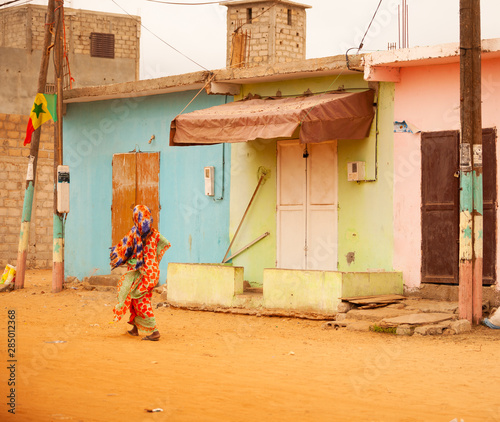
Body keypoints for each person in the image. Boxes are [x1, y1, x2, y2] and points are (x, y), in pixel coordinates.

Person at [110, 205, 171, 341]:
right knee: (134, 299)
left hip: (144, 273)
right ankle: (135, 328)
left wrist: (125, 258)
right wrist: (154, 258)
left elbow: (124, 249)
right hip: (152, 272)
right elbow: (165, 244)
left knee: (140, 300)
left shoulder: (134, 233)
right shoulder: (155, 234)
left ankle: (154, 331)